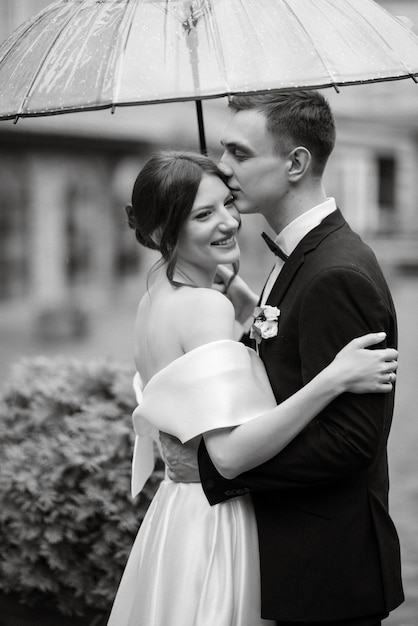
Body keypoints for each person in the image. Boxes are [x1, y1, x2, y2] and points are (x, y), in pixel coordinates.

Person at [107, 150, 398, 626]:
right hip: (221, 521)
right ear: (163, 232)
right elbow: (229, 455)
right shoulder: (207, 310)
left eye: (227, 204)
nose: (228, 223)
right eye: (203, 214)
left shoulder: (154, 297)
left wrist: (244, 301)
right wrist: (332, 378)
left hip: (178, 513)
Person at [198, 90, 404, 626]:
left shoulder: (336, 273)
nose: (223, 170)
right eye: (222, 152)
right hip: (297, 555)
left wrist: (223, 467)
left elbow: (351, 442)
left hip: (326, 567)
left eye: (239, 155)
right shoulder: (299, 254)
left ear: (296, 163)